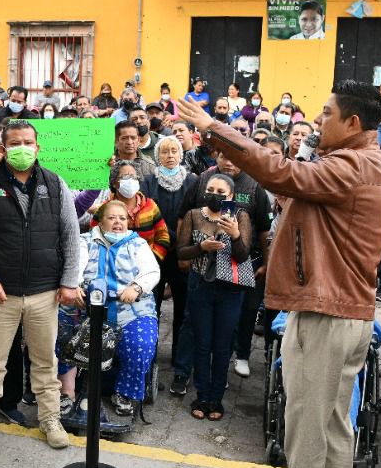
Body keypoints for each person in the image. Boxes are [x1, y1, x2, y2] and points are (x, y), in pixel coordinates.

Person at [175, 81, 381, 468]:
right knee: (334, 426)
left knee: (307, 429)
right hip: (343, 313)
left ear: (353, 122)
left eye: (327, 112)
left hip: (326, 315)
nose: (318, 119)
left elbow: (280, 171)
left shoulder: (352, 165)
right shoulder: (364, 163)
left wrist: (215, 130)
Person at [0, 120, 78, 455]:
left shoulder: (56, 185)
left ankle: (50, 419)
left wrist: (69, 281)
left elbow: (70, 236)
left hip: (44, 293)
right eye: (15, 142)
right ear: (3, 147)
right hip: (1, 293)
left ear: (37, 147)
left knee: (45, 361)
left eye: (28, 142)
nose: (22, 148)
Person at [63, 200, 161, 415]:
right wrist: (76, 285)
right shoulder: (85, 241)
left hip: (130, 308)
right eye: (112, 217)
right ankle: (66, 392)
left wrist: (136, 287)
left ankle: (124, 393)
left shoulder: (137, 244)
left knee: (141, 343)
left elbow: (152, 271)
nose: (118, 222)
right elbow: (75, 265)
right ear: (100, 221)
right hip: (88, 307)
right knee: (62, 336)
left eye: (123, 218)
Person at [175, 173, 253, 420]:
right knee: (202, 341)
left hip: (229, 288)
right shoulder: (194, 215)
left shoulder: (240, 216)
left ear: (230, 196)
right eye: (211, 190)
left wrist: (236, 234)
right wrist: (201, 247)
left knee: (222, 345)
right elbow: (181, 252)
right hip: (200, 285)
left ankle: (216, 398)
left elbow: (243, 255)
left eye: (221, 192)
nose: (215, 195)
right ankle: (202, 395)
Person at [151, 136, 197, 360]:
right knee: (151, 308)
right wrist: (169, 237)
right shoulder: (148, 182)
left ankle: (180, 357)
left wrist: (182, 244)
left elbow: (195, 217)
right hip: (154, 255)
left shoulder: (192, 182)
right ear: (157, 156)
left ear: (181, 154)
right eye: (164, 152)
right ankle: (149, 354)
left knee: (184, 307)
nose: (170, 156)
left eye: (174, 151)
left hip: (183, 256)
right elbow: (148, 217)